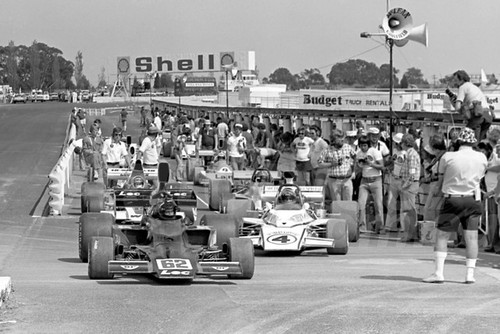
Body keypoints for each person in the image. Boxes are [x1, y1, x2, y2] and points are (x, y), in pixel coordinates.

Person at [423, 127, 487, 284]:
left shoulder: (449, 156)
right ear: (473, 142)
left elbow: (440, 180)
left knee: (442, 235)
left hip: (453, 199)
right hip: (473, 199)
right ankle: (469, 275)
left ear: (458, 141)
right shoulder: (482, 157)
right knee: (471, 237)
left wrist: (432, 200)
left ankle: (439, 273)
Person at [450, 70, 493, 142]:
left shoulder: (462, 87)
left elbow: (458, 107)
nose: (455, 83)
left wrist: (453, 102)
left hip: (479, 117)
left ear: (461, 80)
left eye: (456, 80)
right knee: (477, 142)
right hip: (488, 116)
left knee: (466, 140)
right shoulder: (474, 87)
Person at [355, 135, 385, 233]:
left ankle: (380, 227)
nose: (363, 148)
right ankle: (361, 227)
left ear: (368, 145)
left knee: (378, 205)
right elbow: (358, 167)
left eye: (365, 145)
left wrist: (371, 163)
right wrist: (359, 165)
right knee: (361, 204)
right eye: (361, 146)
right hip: (364, 180)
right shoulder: (358, 153)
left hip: (376, 180)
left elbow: (382, 166)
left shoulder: (374, 152)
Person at [318, 129, 356, 203]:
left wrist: (354, 171)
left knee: (348, 203)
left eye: (343, 140)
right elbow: (320, 163)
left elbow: (356, 158)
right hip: (334, 180)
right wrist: (332, 164)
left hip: (347, 179)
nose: (342, 142)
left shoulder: (347, 147)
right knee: (337, 203)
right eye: (340, 140)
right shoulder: (327, 150)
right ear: (334, 140)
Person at [397, 134, 421, 242]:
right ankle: (410, 234)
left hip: (409, 185)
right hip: (410, 184)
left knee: (408, 211)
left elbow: (412, 173)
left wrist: (404, 186)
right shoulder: (411, 153)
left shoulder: (411, 155)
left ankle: (409, 235)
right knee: (409, 210)